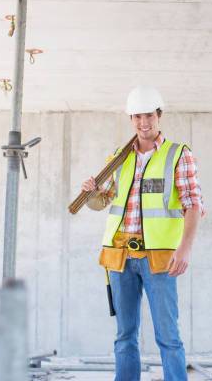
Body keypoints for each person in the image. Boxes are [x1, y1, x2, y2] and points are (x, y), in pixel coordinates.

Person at [81, 85, 204, 381]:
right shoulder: (119, 156)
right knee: (124, 336)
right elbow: (103, 201)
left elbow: (194, 205)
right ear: (131, 119)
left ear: (159, 115)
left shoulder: (178, 154)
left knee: (168, 336)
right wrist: (92, 192)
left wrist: (184, 249)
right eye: (136, 116)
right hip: (120, 256)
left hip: (159, 258)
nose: (143, 123)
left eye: (148, 115)